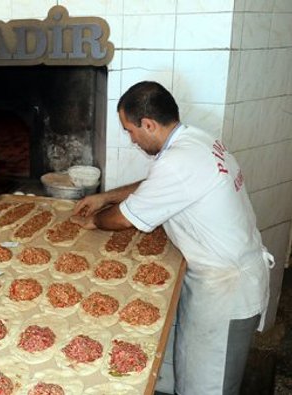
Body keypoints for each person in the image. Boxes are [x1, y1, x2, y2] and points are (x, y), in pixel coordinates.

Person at [70, 81, 274, 395]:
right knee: (189, 374)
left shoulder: (178, 161)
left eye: (130, 130)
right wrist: (105, 197)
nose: (131, 139)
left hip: (227, 289)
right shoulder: (195, 141)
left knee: (209, 387)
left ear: (148, 124)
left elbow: (125, 219)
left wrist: (94, 222)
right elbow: (156, 184)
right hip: (217, 278)